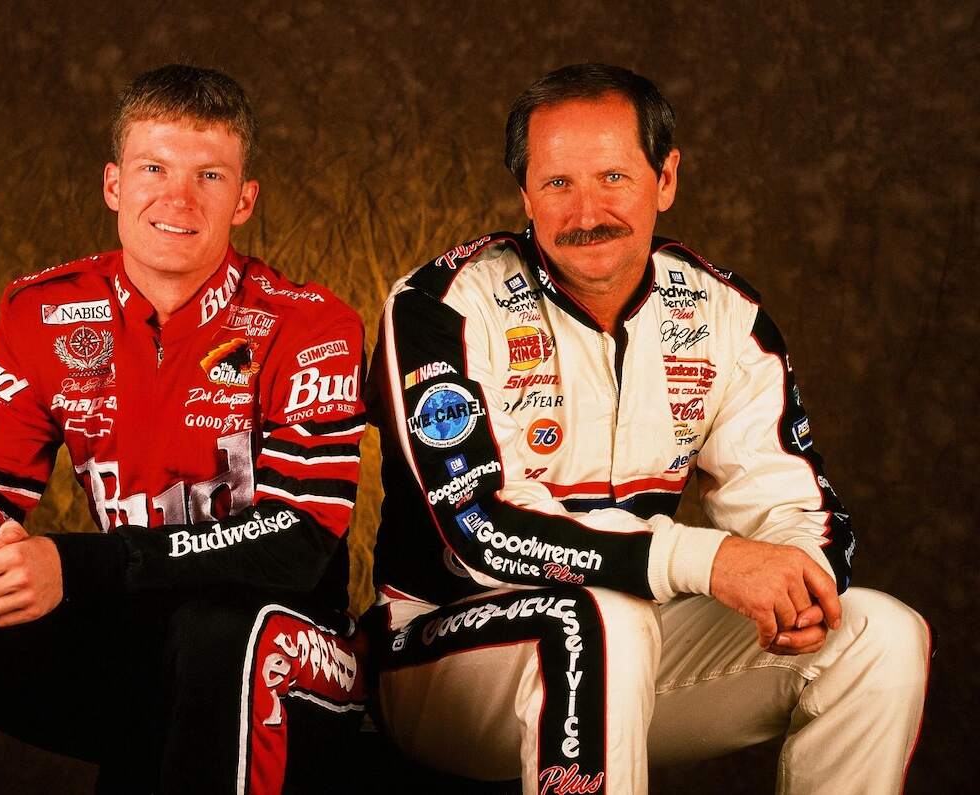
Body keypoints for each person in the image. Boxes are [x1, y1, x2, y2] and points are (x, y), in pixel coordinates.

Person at [364, 63, 930, 795]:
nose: (585, 211)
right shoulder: (442, 306)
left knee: (878, 633)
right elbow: (482, 528)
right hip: (441, 656)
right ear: (524, 194)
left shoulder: (722, 314)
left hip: (629, 646)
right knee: (601, 623)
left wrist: (797, 581)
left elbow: (789, 505)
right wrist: (712, 560)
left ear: (666, 179)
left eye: (613, 177)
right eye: (557, 183)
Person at [0, 64, 367, 794]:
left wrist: (78, 569)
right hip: (130, 646)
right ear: (114, 185)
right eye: (154, 167)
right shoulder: (45, 312)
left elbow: (301, 542)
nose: (178, 198)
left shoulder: (312, 324)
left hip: (291, 661)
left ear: (244, 200)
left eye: (209, 175)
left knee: (216, 629)